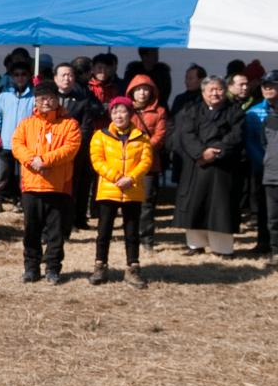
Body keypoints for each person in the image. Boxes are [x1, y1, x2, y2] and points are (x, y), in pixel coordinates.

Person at [12, 82, 82, 284]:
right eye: (42, 98)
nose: (46, 102)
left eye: (50, 97)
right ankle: (31, 268)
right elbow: (17, 144)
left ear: (57, 99)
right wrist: (31, 160)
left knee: (56, 232)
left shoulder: (70, 124)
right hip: (31, 186)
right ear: (35, 100)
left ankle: (53, 268)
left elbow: (70, 149)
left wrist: (45, 160)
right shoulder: (26, 124)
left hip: (58, 187)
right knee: (31, 230)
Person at [172, 75, 246, 256]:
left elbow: (236, 136)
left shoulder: (235, 111)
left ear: (225, 90)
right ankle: (195, 245)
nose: (215, 93)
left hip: (224, 167)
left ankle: (222, 249)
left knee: (221, 208)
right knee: (195, 205)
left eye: (219, 89)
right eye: (211, 89)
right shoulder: (192, 109)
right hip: (197, 165)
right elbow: (186, 134)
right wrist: (201, 153)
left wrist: (215, 152)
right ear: (203, 92)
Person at [88, 97, 153, 288]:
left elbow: (146, 161)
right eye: (114, 111)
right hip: (109, 189)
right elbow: (97, 160)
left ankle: (133, 267)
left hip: (132, 190)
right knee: (104, 231)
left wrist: (131, 178)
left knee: (132, 231)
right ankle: (100, 266)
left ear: (130, 114)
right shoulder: (100, 135)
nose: (118, 115)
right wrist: (116, 177)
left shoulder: (141, 136)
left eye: (122, 111)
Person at [56, 62, 105, 229]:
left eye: (70, 75)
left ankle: (74, 219)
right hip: (53, 150)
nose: (67, 78)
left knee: (76, 185)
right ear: (55, 79)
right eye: (63, 75)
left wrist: (73, 146)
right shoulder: (49, 99)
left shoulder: (83, 100)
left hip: (76, 150)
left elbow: (86, 127)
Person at [126, 74, 168, 252]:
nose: (142, 93)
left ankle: (147, 239)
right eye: (138, 89)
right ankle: (130, 235)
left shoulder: (160, 112)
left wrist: (141, 149)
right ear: (131, 92)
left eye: (146, 89)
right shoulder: (125, 109)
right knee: (127, 202)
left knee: (147, 202)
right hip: (126, 163)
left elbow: (160, 136)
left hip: (150, 164)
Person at [0, 61, 35, 213]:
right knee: (3, 175)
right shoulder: (3, 94)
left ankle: (21, 202)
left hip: (27, 144)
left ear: (29, 76)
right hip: (6, 142)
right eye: (16, 75)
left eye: (23, 74)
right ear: (11, 77)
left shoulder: (34, 96)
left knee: (24, 176)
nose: (20, 78)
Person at [244, 71, 278, 266]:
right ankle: (265, 243)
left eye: (272, 85)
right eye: (265, 85)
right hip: (264, 168)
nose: (267, 88)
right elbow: (253, 142)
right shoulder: (254, 112)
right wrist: (264, 161)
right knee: (267, 212)